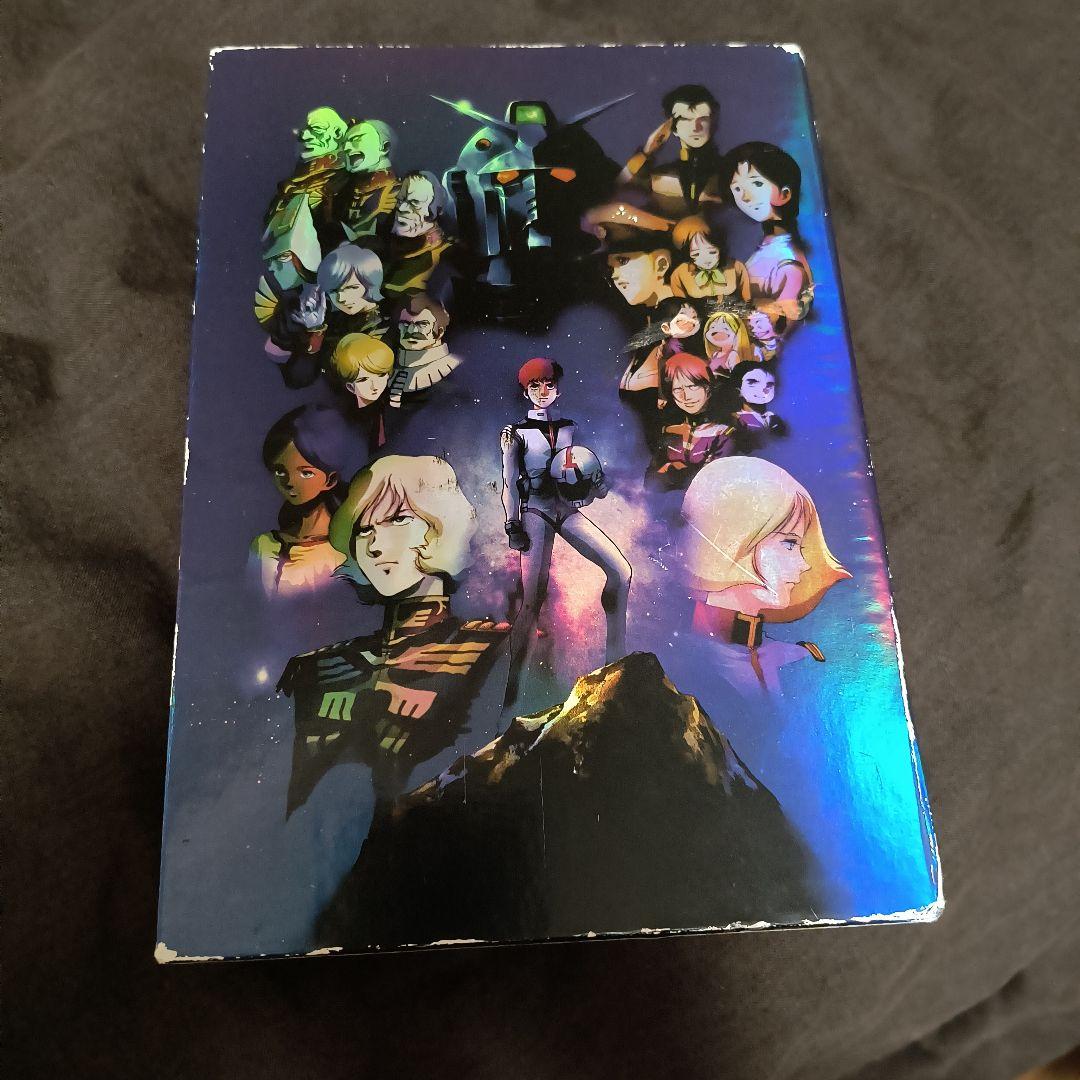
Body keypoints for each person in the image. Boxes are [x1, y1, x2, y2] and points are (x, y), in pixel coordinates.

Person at [277, 456, 511, 813]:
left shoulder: (489, 649)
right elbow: (296, 802)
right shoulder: (314, 668)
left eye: (398, 519)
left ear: (441, 526)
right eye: (363, 530)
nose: (374, 545)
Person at [500, 359, 632, 703]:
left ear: (558, 388)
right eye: (535, 386)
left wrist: (598, 486)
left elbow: (583, 475)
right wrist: (512, 524)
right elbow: (510, 482)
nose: (543, 392)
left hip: (566, 510)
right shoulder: (516, 434)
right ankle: (511, 696)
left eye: (549, 385)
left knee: (621, 571)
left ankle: (615, 665)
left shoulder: (569, 428)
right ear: (525, 391)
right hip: (535, 513)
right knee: (532, 603)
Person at [680, 457, 850, 697]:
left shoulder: (800, 662)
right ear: (734, 538)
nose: (804, 564)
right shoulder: (681, 668)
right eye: (790, 544)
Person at [249, 405, 350, 598]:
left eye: (305, 473)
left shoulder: (344, 552)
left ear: (330, 480)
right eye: (280, 471)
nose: (289, 482)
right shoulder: (264, 545)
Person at [724, 142, 813, 328]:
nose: (745, 197)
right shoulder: (768, 246)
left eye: (757, 183)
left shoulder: (786, 260)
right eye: (737, 189)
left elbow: (779, 322)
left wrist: (751, 306)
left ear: (784, 194)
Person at [275, 243, 389, 388]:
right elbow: (297, 377)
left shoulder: (380, 329)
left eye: (351, 288)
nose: (342, 298)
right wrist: (315, 330)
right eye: (334, 290)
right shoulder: (334, 315)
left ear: (370, 284)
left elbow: (340, 378)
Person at [619, 84, 724, 216]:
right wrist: (646, 153)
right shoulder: (660, 175)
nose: (696, 127)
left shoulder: (730, 170)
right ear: (673, 128)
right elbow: (615, 195)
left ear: (713, 123)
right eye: (685, 119)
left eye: (703, 119)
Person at [647, 354, 736, 490]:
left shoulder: (723, 433)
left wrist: (674, 471)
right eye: (677, 389)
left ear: (708, 388)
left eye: (693, 386)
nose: (686, 396)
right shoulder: (670, 432)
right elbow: (649, 482)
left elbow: (714, 484)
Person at [386, 293, 460, 409]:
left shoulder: (454, 372)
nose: (411, 331)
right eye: (405, 324)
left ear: (440, 332)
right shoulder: (390, 372)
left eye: (422, 324)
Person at [621, 296, 704, 397]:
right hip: (638, 388)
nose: (692, 323)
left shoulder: (686, 344)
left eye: (694, 317)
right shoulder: (667, 346)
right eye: (682, 320)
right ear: (666, 328)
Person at [327, 333, 394, 451]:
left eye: (381, 375)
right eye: (363, 379)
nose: (374, 385)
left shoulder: (388, 406)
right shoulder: (340, 416)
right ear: (350, 386)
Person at [668, 215, 750, 302]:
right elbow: (679, 304)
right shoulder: (681, 272)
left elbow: (747, 297)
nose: (706, 259)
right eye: (696, 254)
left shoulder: (735, 266)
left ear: (720, 248)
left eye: (712, 252)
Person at [729, 361, 787, 450]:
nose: (763, 389)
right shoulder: (736, 421)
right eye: (753, 382)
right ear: (738, 388)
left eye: (770, 384)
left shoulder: (772, 418)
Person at [703, 308, 756, 374]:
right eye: (712, 327)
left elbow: (736, 375)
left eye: (725, 328)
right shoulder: (715, 354)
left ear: (737, 333)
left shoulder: (733, 356)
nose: (718, 333)